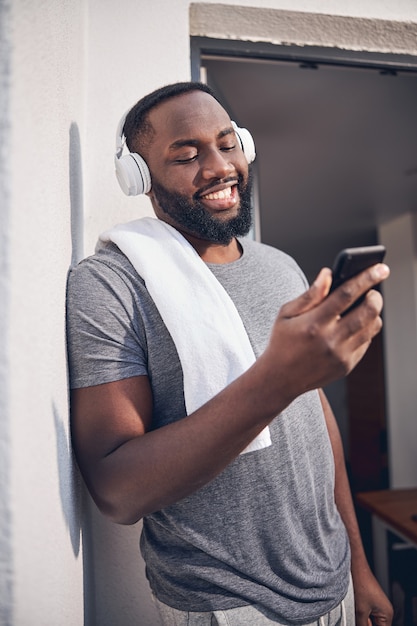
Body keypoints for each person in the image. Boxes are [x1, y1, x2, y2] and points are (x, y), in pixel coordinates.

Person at [66, 81, 393, 626]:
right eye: (187, 154)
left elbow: (315, 421)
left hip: (334, 585)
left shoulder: (280, 266)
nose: (219, 167)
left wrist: (359, 567)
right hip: (229, 607)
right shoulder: (111, 285)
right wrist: (277, 380)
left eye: (227, 143)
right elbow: (116, 490)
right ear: (139, 176)